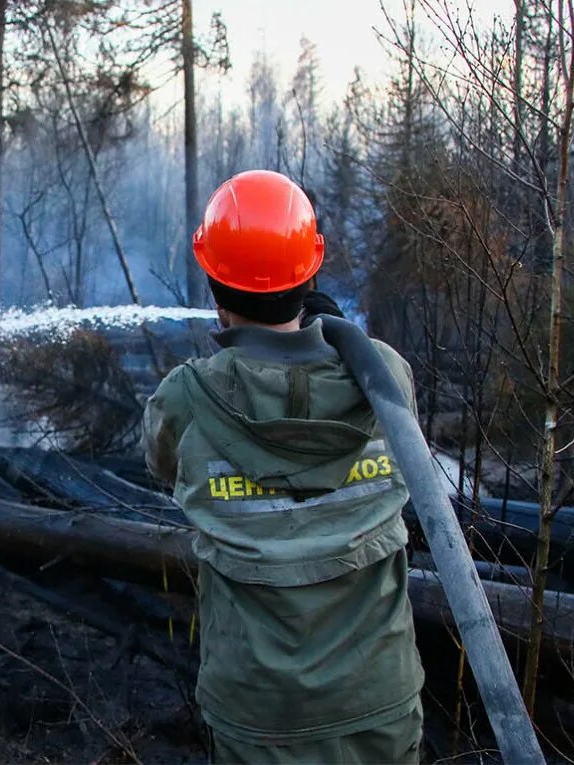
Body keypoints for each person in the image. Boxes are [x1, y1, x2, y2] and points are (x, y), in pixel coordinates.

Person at [143, 170, 425, 764]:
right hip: (381, 700)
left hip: (260, 714)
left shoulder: (186, 401)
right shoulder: (385, 379)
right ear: (311, 269)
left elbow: (163, 468)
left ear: (212, 279)